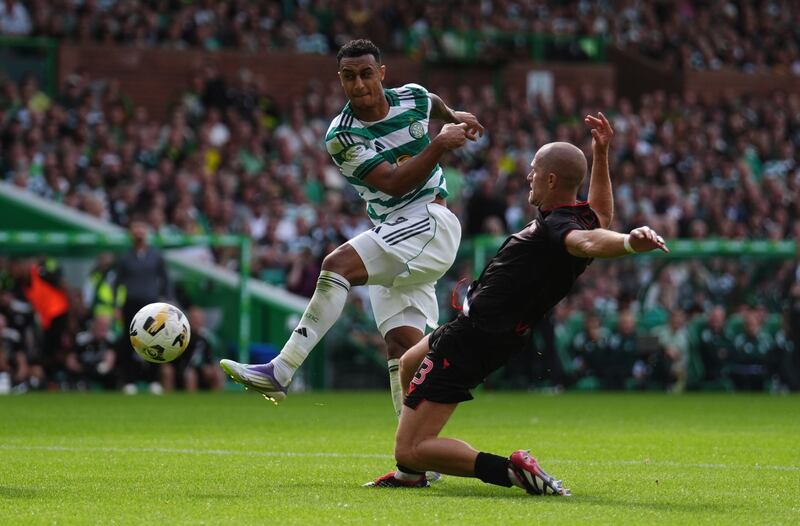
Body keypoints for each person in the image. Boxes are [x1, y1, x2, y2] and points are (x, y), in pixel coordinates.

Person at [364, 113, 668, 494]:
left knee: (410, 449)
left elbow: (590, 241)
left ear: (551, 180)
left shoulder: (560, 228)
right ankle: (412, 472)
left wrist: (628, 243)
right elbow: (602, 218)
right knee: (409, 364)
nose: (528, 176)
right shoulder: (574, 217)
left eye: (534, 170)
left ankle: (510, 470)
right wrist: (601, 154)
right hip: (486, 331)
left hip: (474, 337)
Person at [220, 38, 483, 420]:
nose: (358, 84)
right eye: (348, 77)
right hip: (398, 230)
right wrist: (440, 143)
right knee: (402, 348)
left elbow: (432, 102)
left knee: (337, 264)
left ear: (381, 74)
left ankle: (281, 370)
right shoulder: (342, 136)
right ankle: (412, 448)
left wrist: (454, 114)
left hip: (431, 222)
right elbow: (393, 183)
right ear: (340, 79)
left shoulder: (411, 97)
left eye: (365, 74)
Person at [114, 219, 172, 394]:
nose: (139, 231)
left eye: (141, 227)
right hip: (131, 303)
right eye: (135, 227)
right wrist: (116, 305)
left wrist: (166, 300)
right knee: (129, 341)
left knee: (155, 340)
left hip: (151, 304)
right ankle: (129, 380)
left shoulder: (156, 256)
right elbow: (117, 283)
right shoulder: (125, 257)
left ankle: (153, 380)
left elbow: (165, 279)